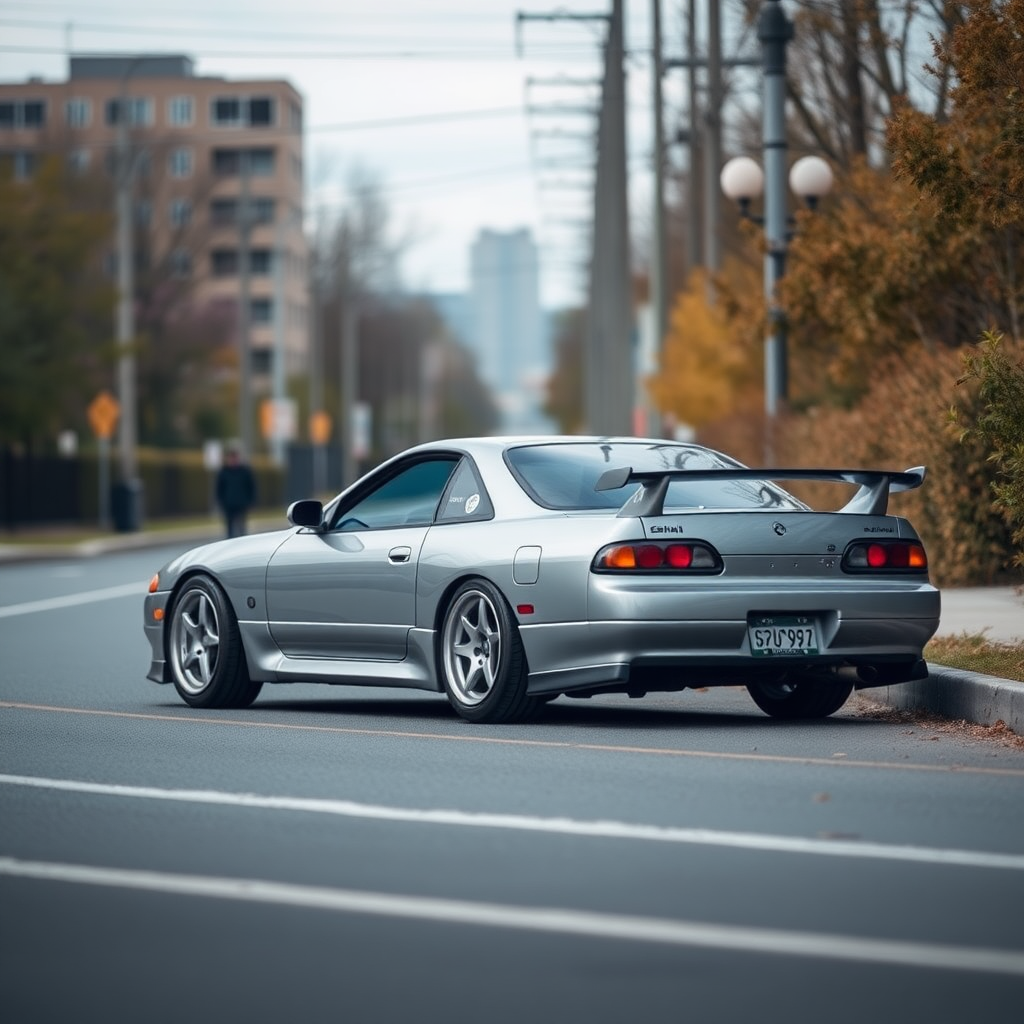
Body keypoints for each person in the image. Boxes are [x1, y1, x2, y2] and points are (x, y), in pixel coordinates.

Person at [216, 445, 256, 538]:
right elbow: (219, 489)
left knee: (241, 527)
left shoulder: (245, 471)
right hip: (228, 504)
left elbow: (251, 487)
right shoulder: (223, 472)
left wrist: (251, 501)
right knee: (229, 528)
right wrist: (221, 502)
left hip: (242, 503)